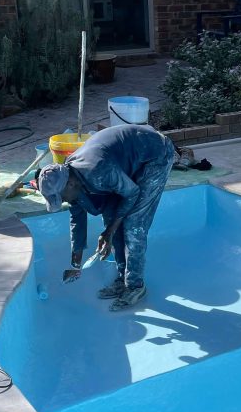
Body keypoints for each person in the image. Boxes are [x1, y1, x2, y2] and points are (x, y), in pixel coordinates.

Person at [37, 124, 176, 311]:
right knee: (111, 218)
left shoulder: (97, 170)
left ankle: (135, 286)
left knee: (134, 224)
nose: (62, 200)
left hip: (154, 154)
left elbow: (133, 193)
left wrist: (109, 232)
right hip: (127, 160)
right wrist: (76, 264)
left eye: (60, 196)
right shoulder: (70, 176)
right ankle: (123, 278)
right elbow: (77, 220)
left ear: (70, 184)